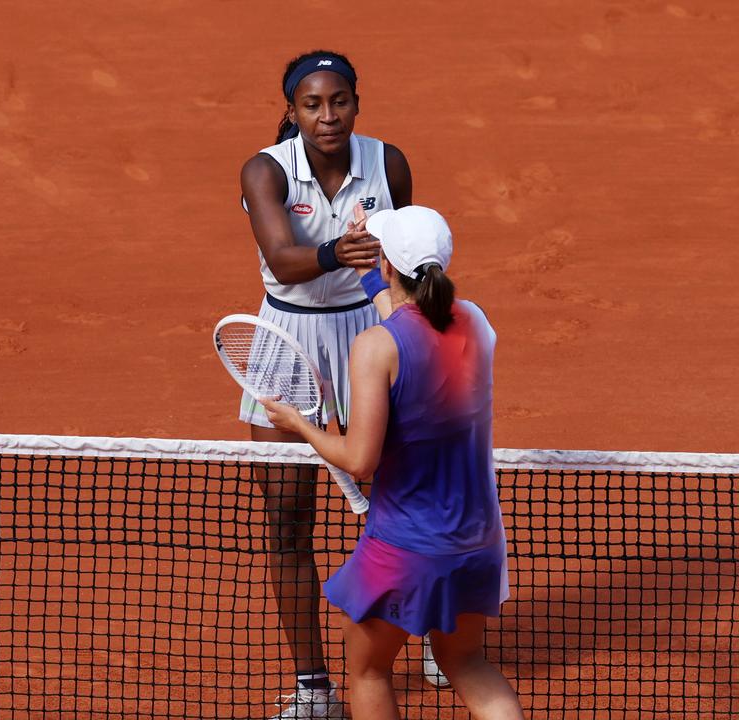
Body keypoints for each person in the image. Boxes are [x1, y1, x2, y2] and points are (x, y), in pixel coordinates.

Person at [262, 206, 525, 720]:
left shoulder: (374, 347)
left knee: (368, 671)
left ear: (388, 263)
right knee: (467, 662)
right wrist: (369, 275)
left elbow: (359, 461)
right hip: (478, 542)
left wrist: (300, 425)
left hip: (406, 546)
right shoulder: (476, 323)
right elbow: (407, 318)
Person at [239, 50, 413, 719]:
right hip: (286, 343)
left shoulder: (387, 162)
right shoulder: (265, 169)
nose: (327, 115)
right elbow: (282, 259)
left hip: (372, 336)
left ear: (355, 103)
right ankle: (314, 689)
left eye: (338, 100)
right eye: (312, 104)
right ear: (293, 110)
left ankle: (428, 631)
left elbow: (407, 255)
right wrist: (340, 250)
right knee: (287, 521)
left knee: (409, 503)